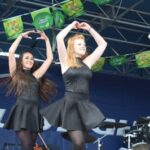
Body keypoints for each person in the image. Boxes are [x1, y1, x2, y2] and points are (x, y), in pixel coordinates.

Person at [41, 21, 107, 150]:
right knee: (78, 142)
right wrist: (71, 25)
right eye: (79, 44)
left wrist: (90, 29)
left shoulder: (87, 62)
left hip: (85, 105)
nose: (83, 46)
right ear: (72, 47)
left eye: (84, 44)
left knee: (80, 144)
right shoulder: (66, 61)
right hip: (71, 104)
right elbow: (60, 38)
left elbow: (103, 44)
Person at [4, 30, 56, 150]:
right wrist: (20, 36)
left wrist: (47, 40)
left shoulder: (36, 75)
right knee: (27, 145)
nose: (30, 60)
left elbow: (49, 58)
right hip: (21, 112)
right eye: (27, 58)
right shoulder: (16, 74)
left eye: (32, 59)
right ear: (21, 61)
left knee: (31, 146)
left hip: (34, 113)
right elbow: (11, 52)